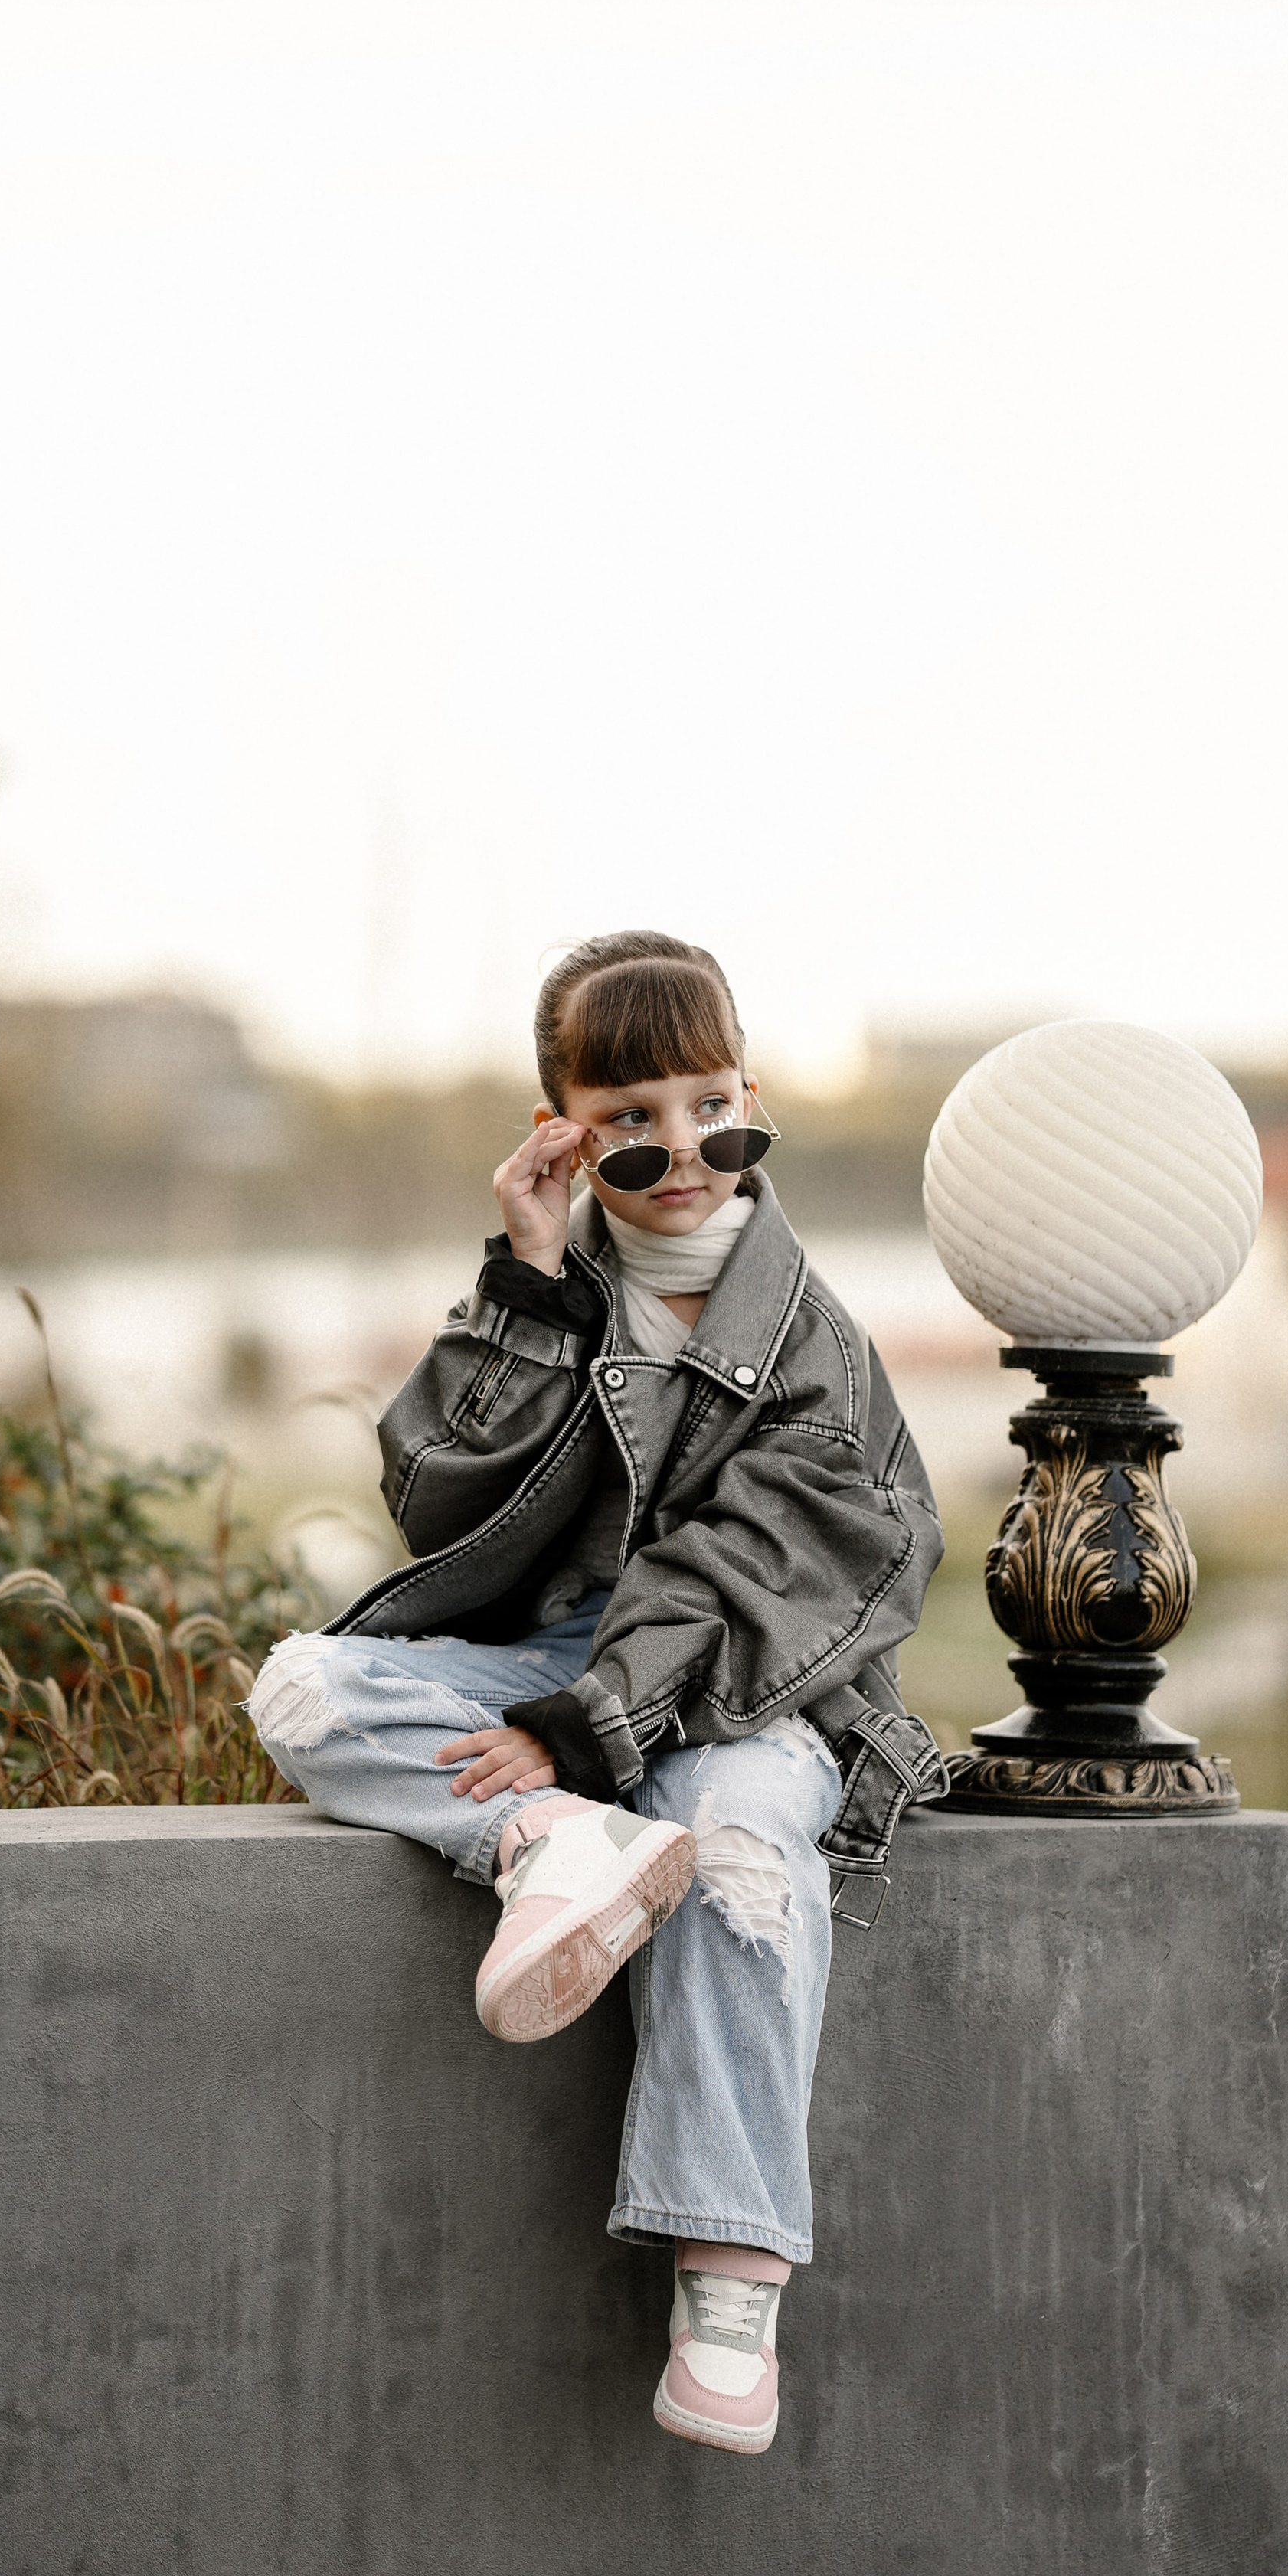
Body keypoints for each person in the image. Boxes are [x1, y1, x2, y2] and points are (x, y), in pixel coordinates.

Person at [249, 930, 946, 2454]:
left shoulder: (812, 1349)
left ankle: (729, 2271)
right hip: (556, 1666)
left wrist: (583, 1729)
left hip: (753, 1690)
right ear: (562, 1124)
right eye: (628, 1115)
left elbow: (746, 1583)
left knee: (740, 1849)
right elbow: (432, 1506)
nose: (682, 1146)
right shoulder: (563, 1288)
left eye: (708, 1101)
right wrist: (528, 1282)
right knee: (306, 1693)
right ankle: (554, 1848)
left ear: (750, 1092)